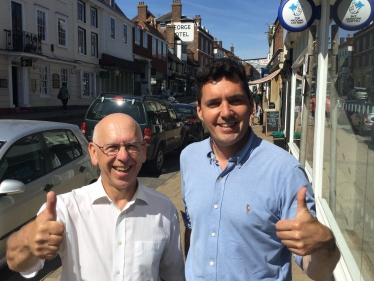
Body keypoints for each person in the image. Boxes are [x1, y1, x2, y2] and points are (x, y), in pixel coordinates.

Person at [180, 58, 340, 281]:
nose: (225, 113)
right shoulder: (189, 157)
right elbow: (192, 227)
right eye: (214, 103)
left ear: (252, 106)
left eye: (235, 100)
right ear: (199, 110)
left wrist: (325, 245)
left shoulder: (285, 172)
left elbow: (316, 270)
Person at [6, 113, 185, 281]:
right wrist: (28, 239)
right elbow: (14, 261)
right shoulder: (66, 207)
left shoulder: (164, 209)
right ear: (93, 152)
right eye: (112, 147)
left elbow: (172, 275)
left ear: (144, 151)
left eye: (132, 146)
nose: (123, 156)